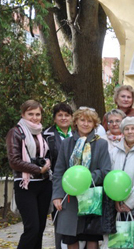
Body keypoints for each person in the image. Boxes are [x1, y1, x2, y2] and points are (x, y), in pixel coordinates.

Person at [52, 107, 112, 249]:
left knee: (91, 237)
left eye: (89, 121)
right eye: (82, 120)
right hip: (69, 196)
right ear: (76, 122)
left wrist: (83, 178)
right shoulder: (67, 143)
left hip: (91, 196)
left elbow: (106, 171)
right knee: (71, 237)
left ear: (94, 124)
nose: (86, 124)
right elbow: (58, 171)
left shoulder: (101, 143)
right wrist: (57, 196)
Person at [7, 100, 53, 249]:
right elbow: (14, 161)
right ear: (23, 114)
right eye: (30, 114)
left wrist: (46, 163)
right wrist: (37, 169)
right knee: (32, 228)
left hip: (44, 184)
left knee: (39, 229)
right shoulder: (16, 132)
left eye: (37, 114)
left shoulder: (40, 132)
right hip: (25, 184)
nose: (34, 117)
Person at [110, 117, 134, 238]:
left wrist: (129, 203)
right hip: (118, 206)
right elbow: (111, 177)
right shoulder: (114, 151)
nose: (130, 131)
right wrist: (116, 200)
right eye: (126, 129)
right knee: (120, 243)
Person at [43, 102, 73, 249]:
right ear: (54, 119)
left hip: (77, 183)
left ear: (72, 118)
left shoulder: (78, 133)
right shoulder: (46, 135)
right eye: (59, 115)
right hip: (55, 182)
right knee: (59, 219)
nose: (63, 118)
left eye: (67, 115)